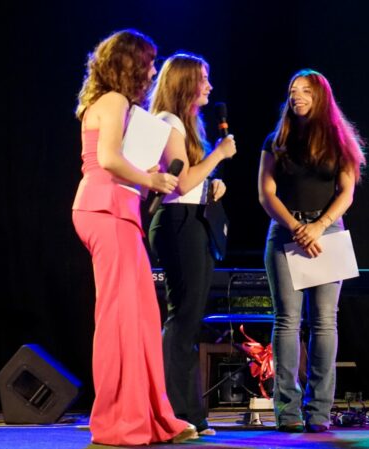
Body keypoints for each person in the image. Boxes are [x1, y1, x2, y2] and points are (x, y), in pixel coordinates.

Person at [71, 29, 197, 445]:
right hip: (105, 210)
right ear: (129, 64)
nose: (152, 69)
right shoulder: (114, 100)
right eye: (147, 61)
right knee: (119, 321)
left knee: (142, 318)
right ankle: (116, 421)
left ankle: (152, 415)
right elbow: (107, 159)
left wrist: (151, 179)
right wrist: (152, 178)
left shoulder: (110, 103)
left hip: (117, 212)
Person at [258, 69, 365, 433]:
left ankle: (318, 411)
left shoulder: (339, 141)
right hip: (285, 232)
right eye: (292, 91)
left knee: (324, 321)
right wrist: (296, 228)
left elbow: (346, 192)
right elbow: (266, 194)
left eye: (304, 91)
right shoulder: (277, 139)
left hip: (328, 232)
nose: (297, 96)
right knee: (287, 321)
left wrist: (318, 227)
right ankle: (287, 411)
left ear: (320, 97)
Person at [148, 53, 237, 436]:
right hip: (178, 224)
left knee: (189, 319)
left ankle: (190, 415)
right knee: (182, 318)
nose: (210, 86)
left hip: (192, 220)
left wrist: (212, 184)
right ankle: (178, 413)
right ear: (186, 83)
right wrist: (219, 154)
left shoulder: (184, 125)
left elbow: (191, 181)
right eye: (204, 78)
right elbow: (180, 183)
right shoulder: (168, 123)